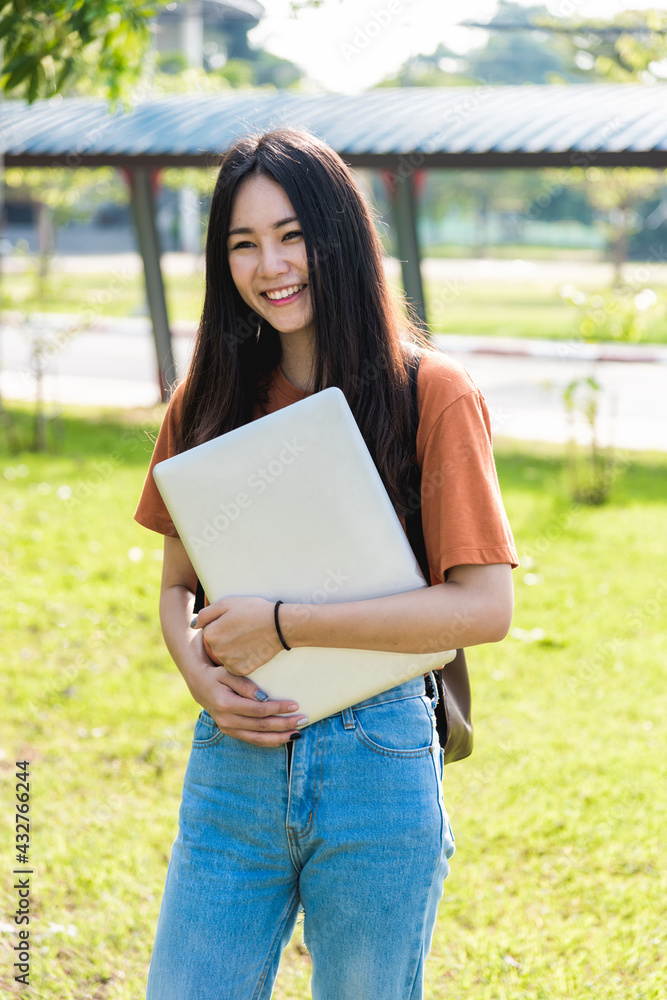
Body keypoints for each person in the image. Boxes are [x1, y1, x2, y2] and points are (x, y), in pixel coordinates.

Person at [134, 127, 518, 1000]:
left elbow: (483, 608)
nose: (270, 264)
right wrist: (197, 673)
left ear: (339, 234)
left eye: (292, 233)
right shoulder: (205, 401)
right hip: (235, 755)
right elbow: (173, 591)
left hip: (376, 756)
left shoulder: (432, 392)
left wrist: (283, 623)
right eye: (243, 243)